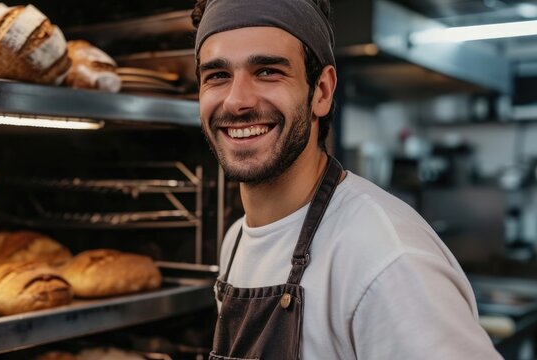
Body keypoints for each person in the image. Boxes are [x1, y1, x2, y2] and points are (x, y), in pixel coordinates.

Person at [192, 0, 502, 359]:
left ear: (321, 91)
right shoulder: (236, 240)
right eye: (217, 75)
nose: (237, 100)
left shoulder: (386, 260)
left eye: (267, 71)